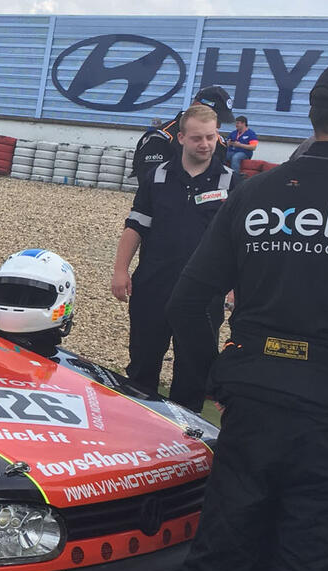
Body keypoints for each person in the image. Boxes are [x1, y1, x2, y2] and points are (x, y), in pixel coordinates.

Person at [143, 65, 328, 571]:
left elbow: (189, 300)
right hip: (322, 417)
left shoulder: (255, 193)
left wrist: (217, 377)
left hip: (250, 405)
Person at [110, 104, 237, 411]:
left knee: (193, 372)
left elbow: (237, 242)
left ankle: (186, 441)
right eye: (197, 138)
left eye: (210, 137)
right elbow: (135, 226)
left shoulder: (232, 182)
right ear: (180, 138)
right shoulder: (156, 177)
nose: (205, 144)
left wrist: (234, 287)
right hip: (153, 285)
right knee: (142, 364)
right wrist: (120, 270)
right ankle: (137, 427)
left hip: (203, 295)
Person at [130, 86, 235, 180]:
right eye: (216, 118)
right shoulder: (161, 139)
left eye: (220, 121)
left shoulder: (219, 144)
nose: (218, 126)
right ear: (196, 106)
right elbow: (148, 185)